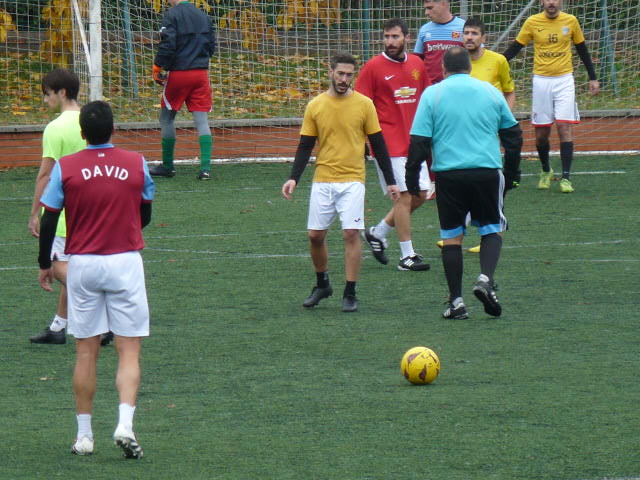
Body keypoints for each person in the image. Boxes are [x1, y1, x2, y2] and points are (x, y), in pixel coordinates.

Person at [37, 101, 155, 458]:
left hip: (83, 264)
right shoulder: (136, 162)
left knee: (86, 351)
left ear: (82, 133)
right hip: (124, 261)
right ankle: (125, 425)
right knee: (128, 349)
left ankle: (85, 437)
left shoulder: (67, 167)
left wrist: (44, 262)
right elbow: (145, 214)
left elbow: (48, 217)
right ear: (113, 129)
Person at [406, 47, 522, 319]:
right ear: (469, 67)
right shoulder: (490, 92)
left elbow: (419, 142)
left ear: (443, 69)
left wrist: (412, 176)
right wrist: (512, 173)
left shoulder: (432, 94)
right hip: (486, 172)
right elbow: (513, 136)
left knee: (451, 237)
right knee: (492, 228)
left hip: (449, 176)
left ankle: (456, 302)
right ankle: (485, 279)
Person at [281, 52, 400, 313]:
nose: (345, 79)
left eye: (349, 75)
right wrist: (293, 178)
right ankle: (322, 284)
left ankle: (350, 291)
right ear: (330, 72)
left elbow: (378, 144)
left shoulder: (364, 104)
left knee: (350, 233)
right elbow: (305, 145)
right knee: (315, 236)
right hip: (323, 178)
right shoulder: (316, 105)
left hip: (353, 179)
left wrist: (391, 181)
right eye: (341, 74)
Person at [27, 69, 114, 347]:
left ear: (62, 92)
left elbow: (45, 175)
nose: (45, 100)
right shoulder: (91, 119)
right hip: (93, 209)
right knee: (73, 268)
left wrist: (35, 213)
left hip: (64, 214)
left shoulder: (55, 128)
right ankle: (58, 326)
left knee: (58, 269)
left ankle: (104, 318)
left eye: (47, 94)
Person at [355, 18, 432, 272]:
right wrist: (363, 140)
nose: (390, 41)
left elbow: (426, 99)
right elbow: (359, 107)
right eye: (387, 36)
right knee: (404, 195)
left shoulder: (417, 64)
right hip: (388, 144)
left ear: (407, 38)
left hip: (414, 142)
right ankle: (406, 256)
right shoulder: (372, 68)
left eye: (395, 37)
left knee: (421, 195)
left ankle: (377, 233)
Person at [503, 0, 599, 193]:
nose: (551, 2)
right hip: (541, 81)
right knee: (541, 134)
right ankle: (546, 169)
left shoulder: (571, 21)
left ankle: (566, 178)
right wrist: (496, 63)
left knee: (564, 127)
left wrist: (593, 77)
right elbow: (516, 47)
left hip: (564, 80)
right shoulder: (532, 22)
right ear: (542, 2)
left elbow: (582, 49)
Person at [452, 17, 520, 254]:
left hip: (488, 131)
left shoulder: (498, 61)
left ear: (483, 38)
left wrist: (503, 120)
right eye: (466, 33)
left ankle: (489, 235)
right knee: (463, 179)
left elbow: (510, 92)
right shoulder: (456, 60)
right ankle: (456, 235)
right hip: (462, 131)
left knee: (490, 181)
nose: (469, 37)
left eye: (474, 33)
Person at [150, 0, 217, 180]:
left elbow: (168, 44)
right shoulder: (203, 16)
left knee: (166, 118)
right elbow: (211, 45)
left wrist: (157, 66)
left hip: (179, 74)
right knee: (202, 121)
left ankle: (167, 167)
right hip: (201, 74)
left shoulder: (172, 15)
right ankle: (205, 169)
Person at [414, 0, 465, 85]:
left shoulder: (464, 27)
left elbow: (477, 56)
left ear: (443, 3)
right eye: (425, 8)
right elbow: (417, 61)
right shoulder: (424, 29)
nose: (426, 13)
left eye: (430, 8)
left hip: (457, 86)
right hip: (430, 87)